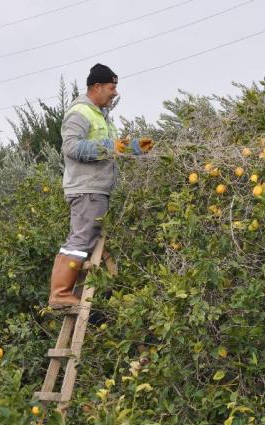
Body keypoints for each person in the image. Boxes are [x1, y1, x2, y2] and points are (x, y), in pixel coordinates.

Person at [48, 63, 153, 309]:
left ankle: (86, 297)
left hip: (97, 189)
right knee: (81, 239)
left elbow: (109, 146)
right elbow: (71, 148)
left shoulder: (99, 114)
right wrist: (111, 147)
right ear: (96, 87)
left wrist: (133, 147)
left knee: (89, 241)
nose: (115, 93)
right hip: (87, 189)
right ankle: (60, 294)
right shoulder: (80, 112)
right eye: (111, 87)